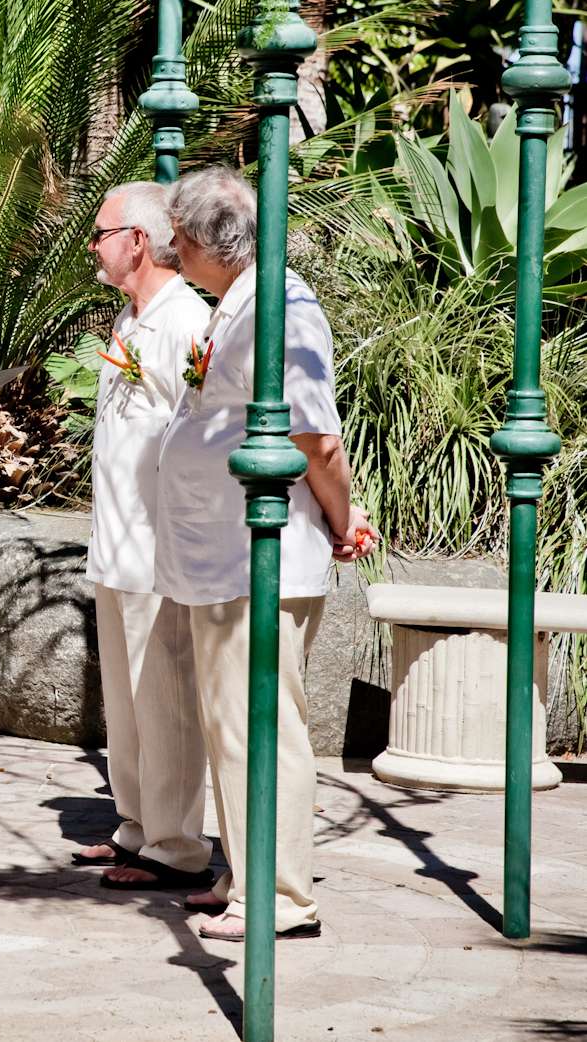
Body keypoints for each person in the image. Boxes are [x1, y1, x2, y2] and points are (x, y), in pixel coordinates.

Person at [156, 166, 378, 940]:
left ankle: (280, 897)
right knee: (230, 727)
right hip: (218, 553)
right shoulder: (238, 303)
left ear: (215, 241)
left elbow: (314, 435)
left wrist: (343, 517)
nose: (170, 252)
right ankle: (240, 872)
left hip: (257, 552)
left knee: (259, 727)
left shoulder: (280, 306)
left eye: (178, 239)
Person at [74, 182, 213, 891]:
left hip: (159, 547)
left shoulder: (185, 321)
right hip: (116, 542)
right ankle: (134, 827)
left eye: (99, 232)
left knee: (164, 700)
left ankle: (175, 844)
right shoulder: (129, 322)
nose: (90, 246)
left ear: (137, 240)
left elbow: (195, 433)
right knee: (126, 701)